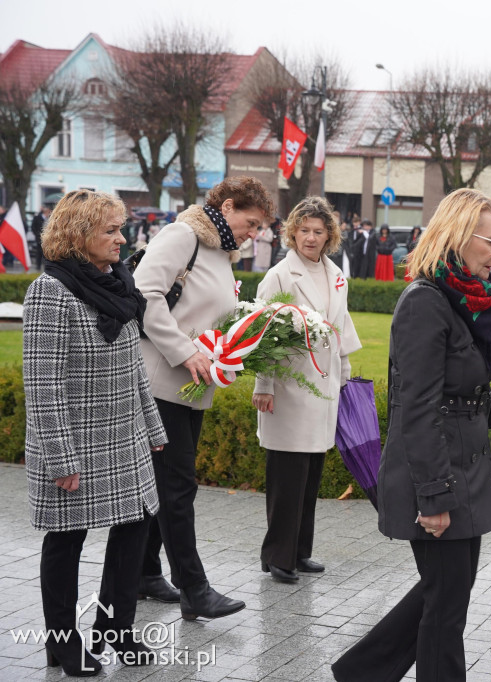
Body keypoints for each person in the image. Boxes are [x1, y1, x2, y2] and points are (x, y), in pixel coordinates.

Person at [330, 188, 491, 681]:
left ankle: (362, 671)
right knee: (446, 608)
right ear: (458, 236)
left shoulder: (469, 301)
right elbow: (416, 407)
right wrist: (433, 497)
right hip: (435, 474)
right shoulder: (426, 302)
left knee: (447, 593)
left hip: (464, 469)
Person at [23, 190, 168, 675]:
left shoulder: (119, 283)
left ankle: (116, 629)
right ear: (78, 234)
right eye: (110, 230)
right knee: (67, 540)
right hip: (75, 442)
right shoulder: (50, 292)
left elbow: (133, 365)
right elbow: (42, 384)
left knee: (135, 526)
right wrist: (60, 458)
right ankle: (62, 644)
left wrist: (153, 426)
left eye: (120, 228)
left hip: (125, 438)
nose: (121, 238)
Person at [133, 176, 273, 620]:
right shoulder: (183, 235)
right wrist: (185, 350)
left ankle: (144, 572)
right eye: (252, 223)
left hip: (191, 387)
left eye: (259, 227)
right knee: (178, 487)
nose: (255, 234)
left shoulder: (221, 252)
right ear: (227, 207)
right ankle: (193, 588)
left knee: (166, 485)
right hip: (162, 383)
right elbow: (143, 293)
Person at [252, 197, 362, 583]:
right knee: (287, 477)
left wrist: (345, 376)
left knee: (310, 474)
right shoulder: (279, 276)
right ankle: (277, 556)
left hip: (324, 388)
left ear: (329, 235)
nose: (310, 238)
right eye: (304, 230)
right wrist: (264, 384)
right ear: (292, 232)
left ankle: (300, 552)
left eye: (318, 231)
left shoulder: (335, 274)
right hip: (288, 388)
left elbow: (341, 326)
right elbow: (261, 333)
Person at [30, 205, 51, 270]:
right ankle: (38, 265)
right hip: (39, 238)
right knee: (39, 252)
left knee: (46, 253)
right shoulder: (37, 217)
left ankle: (45, 266)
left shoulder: (50, 219)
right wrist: (37, 234)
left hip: (47, 239)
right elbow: (33, 227)